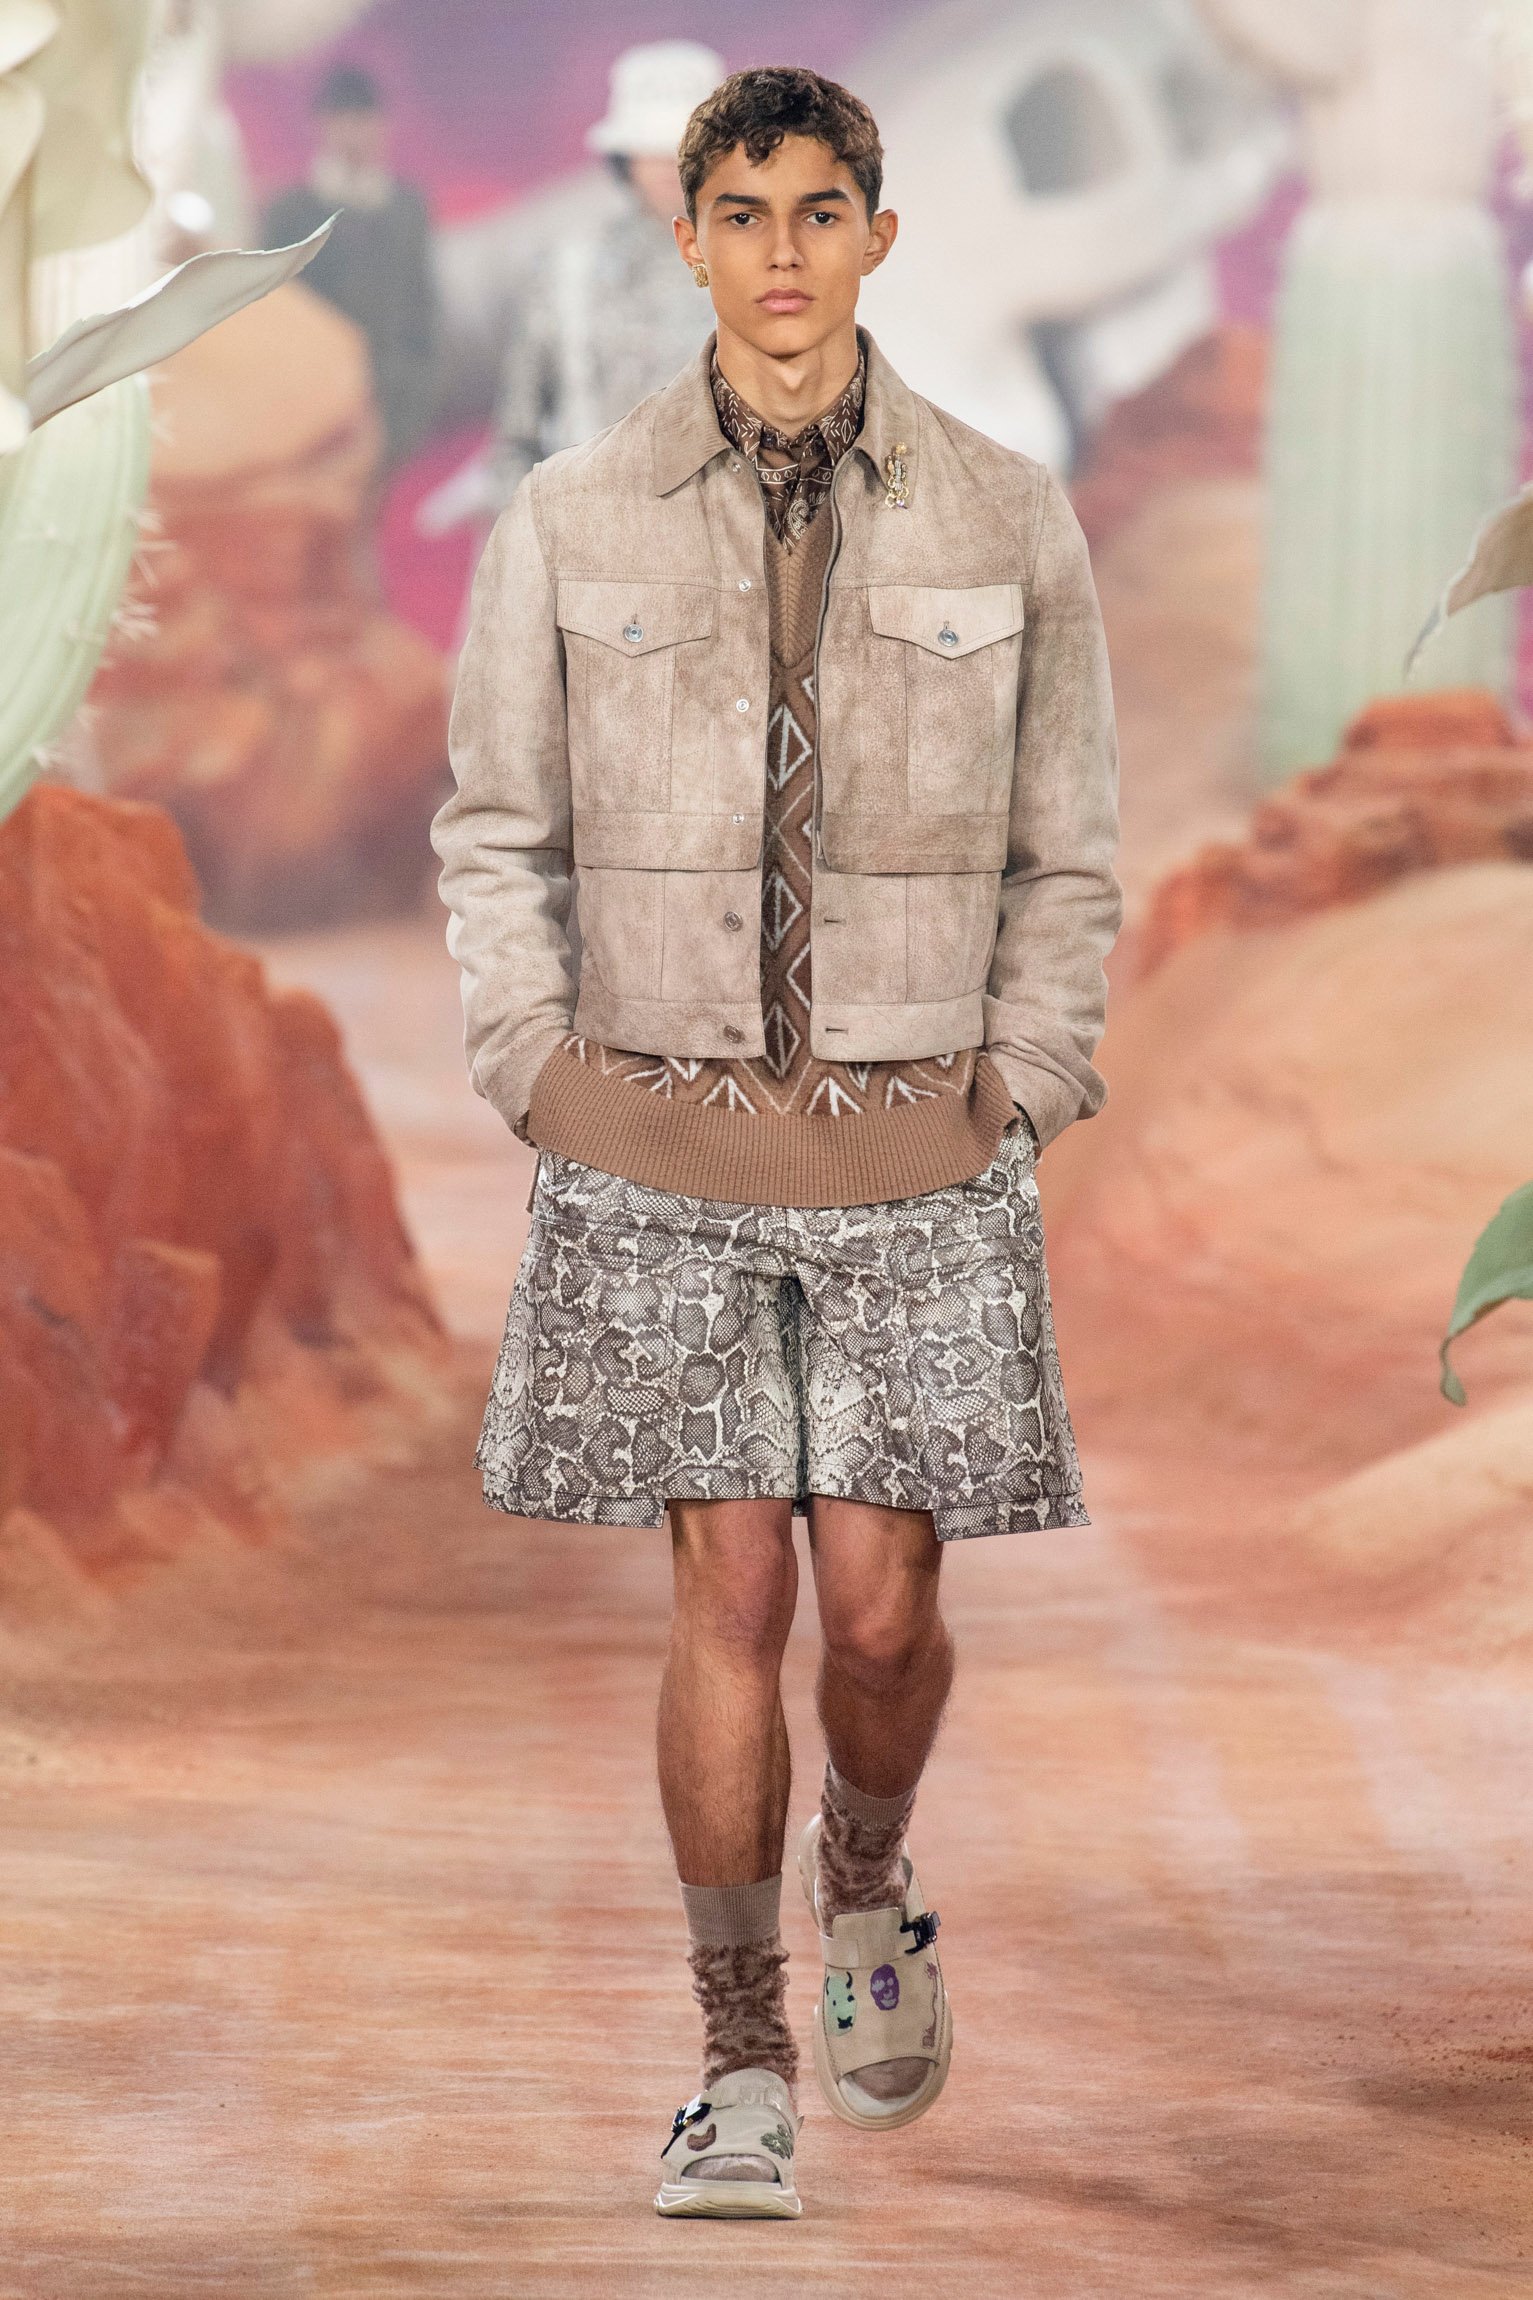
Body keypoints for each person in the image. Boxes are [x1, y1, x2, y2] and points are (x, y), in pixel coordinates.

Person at [432, 66, 1121, 2221]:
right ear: (688, 241)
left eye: (820, 211)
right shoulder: (571, 518)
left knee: (882, 1614)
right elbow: (496, 828)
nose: (782, 252)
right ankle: (736, 2062)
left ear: (877, 238)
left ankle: (866, 1872)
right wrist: (533, 1064)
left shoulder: (1007, 512)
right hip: (657, 1141)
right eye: (741, 213)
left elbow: (1069, 851)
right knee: (727, 1583)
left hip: (922, 1146)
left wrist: (1025, 1077)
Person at [485, 40, 724, 509]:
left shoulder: (769, 272)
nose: (669, 162)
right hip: (591, 536)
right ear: (624, 155)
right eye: (652, 146)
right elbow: (516, 443)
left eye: (687, 148)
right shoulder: (567, 272)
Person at [263, 65, 437, 470]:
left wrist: (409, 414)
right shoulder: (290, 211)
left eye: (363, 119)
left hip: (389, 410)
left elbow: (423, 313)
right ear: (321, 126)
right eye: (343, 119)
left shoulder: (407, 209)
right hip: (308, 406)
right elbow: (274, 315)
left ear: (382, 126)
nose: (354, 133)